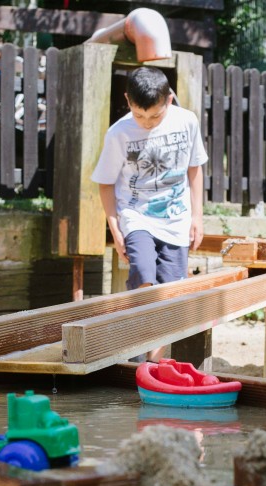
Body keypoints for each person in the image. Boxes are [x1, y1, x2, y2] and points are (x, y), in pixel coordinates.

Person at [91, 66, 208, 361]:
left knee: (171, 292)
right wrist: (116, 230)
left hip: (176, 218)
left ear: (169, 100)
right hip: (136, 215)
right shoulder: (119, 133)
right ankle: (137, 351)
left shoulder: (187, 122)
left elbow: (195, 169)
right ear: (128, 100)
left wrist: (197, 216)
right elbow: (105, 184)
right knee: (144, 275)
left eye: (155, 116)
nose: (146, 122)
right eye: (139, 115)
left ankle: (154, 362)